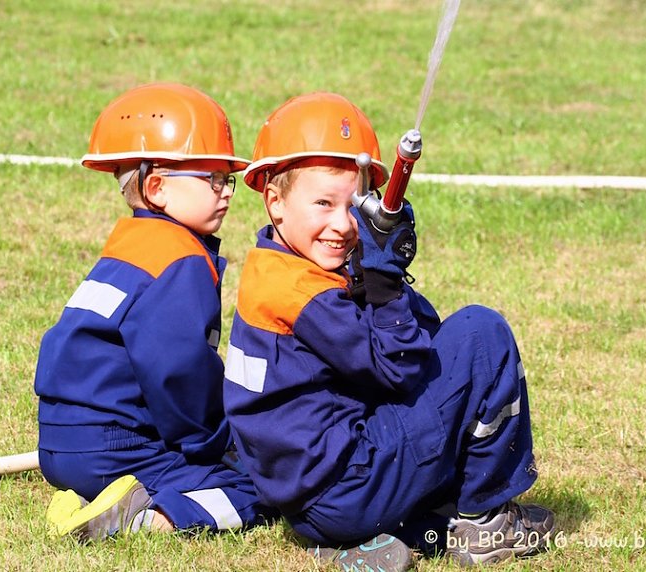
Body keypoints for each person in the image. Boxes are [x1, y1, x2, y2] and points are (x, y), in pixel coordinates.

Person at [222, 91, 555, 569]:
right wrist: (384, 282)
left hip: (307, 506)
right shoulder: (307, 295)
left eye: (354, 206)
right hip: (350, 488)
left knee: (447, 355)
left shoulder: (272, 268)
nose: (342, 225)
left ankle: (416, 530)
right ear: (274, 200)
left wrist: (371, 275)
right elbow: (400, 369)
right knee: (481, 334)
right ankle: (485, 522)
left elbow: (421, 338)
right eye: (322, 203)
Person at [35, 82, 276, 540]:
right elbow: (178, 371)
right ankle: (150, 520)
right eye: (212, 180)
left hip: (62, 444)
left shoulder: (128, 246)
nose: (226, 192)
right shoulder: (178, 258)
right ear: (158, 187)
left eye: (228, 180)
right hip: (115, 447)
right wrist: (216, 443)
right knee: (258, 488)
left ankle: (84, 497)